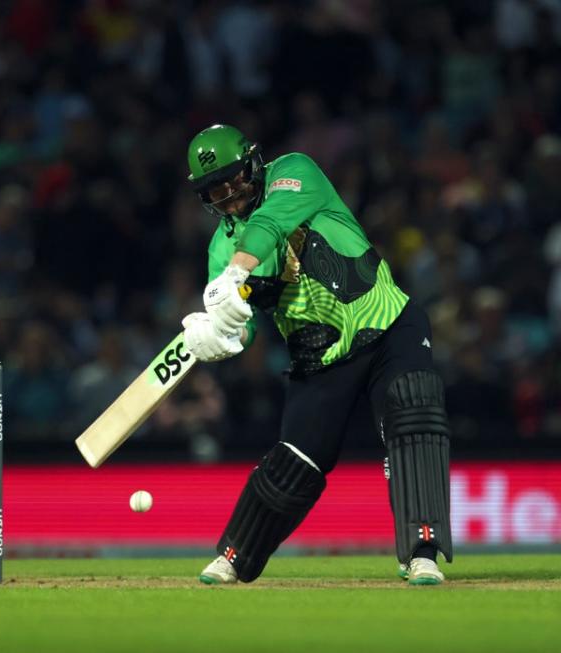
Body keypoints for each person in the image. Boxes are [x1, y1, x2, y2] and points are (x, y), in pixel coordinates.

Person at [180, 125, 452, 585]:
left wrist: (234, 274)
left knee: (413, 411)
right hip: (320, 358)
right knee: (297, 461)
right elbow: (240, 331)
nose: (227, 197)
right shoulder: (219, 250)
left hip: (387, 325)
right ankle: (234, 555)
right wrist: (219, 338)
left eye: (232, 182)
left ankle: (421, 552)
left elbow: (269, 224)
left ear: (252, 163)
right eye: (214, 191)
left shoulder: (295, 172)